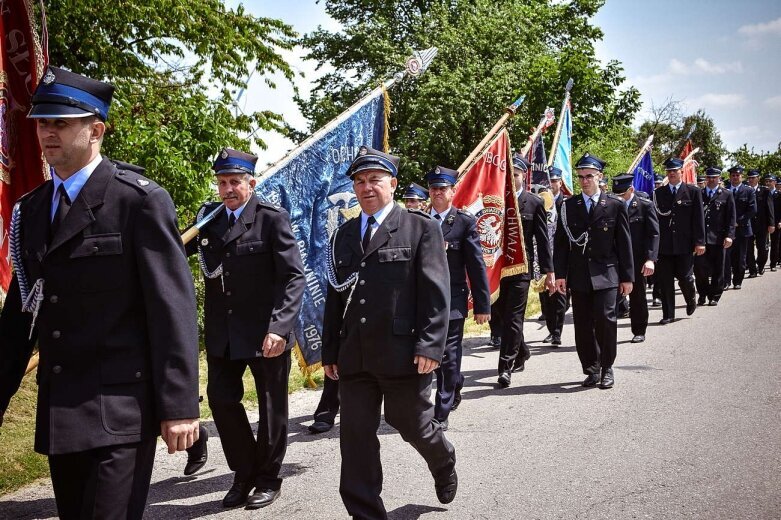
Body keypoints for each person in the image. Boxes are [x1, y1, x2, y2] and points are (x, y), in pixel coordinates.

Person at [0, 67, 200, 519]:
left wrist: (180, 405)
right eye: (42, 122)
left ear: (96, 130)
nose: (47, 132)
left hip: (120, 410)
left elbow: (172, 309)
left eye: (60, 123)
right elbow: (22, 312)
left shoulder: (137, 201)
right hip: (61, 409)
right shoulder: (32, 210)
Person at [322, 146, 457, 519]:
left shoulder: (421, 228)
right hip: (356, 356)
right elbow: (335, 297)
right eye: (360, 182)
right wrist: (330, 350)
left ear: (393, 184)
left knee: (411, 424)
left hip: (403, 353)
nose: (366, 188)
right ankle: (366, 513)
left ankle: (442, 459)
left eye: (375, 180)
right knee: (355, 440)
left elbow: (436, 293)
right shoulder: (344, 235)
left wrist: (431, 345)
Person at [185, 148, 305, 509]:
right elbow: (174, 250)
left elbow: (293, 278)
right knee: (221, 399)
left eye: (235, 182)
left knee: (272, 408)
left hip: (266, 331)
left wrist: (279, 328)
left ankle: (267, 478)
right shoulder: (208, 219)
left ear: (251, 183)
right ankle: (244, 471)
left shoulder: (271, 219)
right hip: (225, 332)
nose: (228, 189)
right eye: (222, 182)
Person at [553, 153, 633, 389]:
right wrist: (560, 274)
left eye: (589, 176)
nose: (585, 180)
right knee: (583, 324)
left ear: (600, 177)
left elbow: (624, 243)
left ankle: (607, 367)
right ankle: (591, 368)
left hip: (607, 273)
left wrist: (628, 277)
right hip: (579, 275)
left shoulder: (615, 205)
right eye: (581, 176)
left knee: (606, 320)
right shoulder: (568, 206)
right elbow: (560, 244)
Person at [426, 166, 490, 427]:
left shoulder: (464, 222)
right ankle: (455, 383)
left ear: (453, 191)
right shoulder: (419, 220)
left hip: (453, 301)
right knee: (430, 353)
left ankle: (441, 412)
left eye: (443, 188)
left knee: (448, 355)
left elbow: (476, 265)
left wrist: (482, 304)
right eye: (433, 189)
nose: (437, 193)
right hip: (424, 303)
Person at [494, 154, 554, 388]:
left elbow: (542, 239)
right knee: (500, 314)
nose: (512, 179)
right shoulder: (496, 200)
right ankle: (522, 352)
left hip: (521, 269)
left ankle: (505, 367)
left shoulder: (534, 202)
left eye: (516, 175)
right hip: (499, 270)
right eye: (509, 174)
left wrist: (549, 272)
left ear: (523, 176)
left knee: (513, 317)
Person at [653, 157, 705, 324]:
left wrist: (700, 242)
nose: (672, 174)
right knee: (665, 280)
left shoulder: (693, 191)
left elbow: (698, 219)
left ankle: (690, 298)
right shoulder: (658, 193)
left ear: (681, 172)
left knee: (685, 277)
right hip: (664, 245)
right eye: (669, 171)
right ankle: (668, 314)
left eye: (674, 171)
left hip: (684, 244)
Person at [611, 174, 659, 343]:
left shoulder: (645, 206)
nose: (618, 197)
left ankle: (639, 330)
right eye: (616, 194)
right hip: (614, 259)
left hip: (637, 259)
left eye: (622, 194)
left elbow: (653, 233)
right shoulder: (611, 206)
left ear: (631, 190)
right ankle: (605, 334)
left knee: (638, 296)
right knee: (610, 298)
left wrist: (650, 259)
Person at [694, 167, 736, 306]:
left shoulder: (726, 194)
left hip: (718, 238)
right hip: (701, 239)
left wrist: (729, 235)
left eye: (714, 177)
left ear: (719, 178)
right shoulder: (698, 194)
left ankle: (715, 296)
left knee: (718, 269)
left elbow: (731, 217)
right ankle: (702, 293)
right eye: (709, 177)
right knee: (700, 270)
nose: (711, 180)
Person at [538, 167, 569, 346]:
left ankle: (557, 332)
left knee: (559, 295)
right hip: (544, 254)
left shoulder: (566, 203)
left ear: (560, 183)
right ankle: (551, 328)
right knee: (545, 295)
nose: (551, 185)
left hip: (560, 254)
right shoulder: (539, 202)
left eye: (555, 181)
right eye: (548, 182)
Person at [723, 165, 756, 290]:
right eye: (733, 175)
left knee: (740, 258)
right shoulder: (724, 190)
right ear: (730, 177)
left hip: (742, 229)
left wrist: (738, 222)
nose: (735, 177)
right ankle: (726, 281)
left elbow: (752, 210)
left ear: (741, 176)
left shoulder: (748, 191)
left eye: (737, 175)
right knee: (725, 258)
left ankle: (738, 280)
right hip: (726, 231)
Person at [746, 169, 775, 277]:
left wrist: (771, 223)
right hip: (748, 224)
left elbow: (770, 208)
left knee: (762, 248)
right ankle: (753, 270)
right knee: (748, 248)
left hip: (762, 225)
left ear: (758, 178)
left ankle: (761, 265)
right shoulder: (745, 190)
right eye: (749, 178)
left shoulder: (765, 191)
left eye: (753, 178)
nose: (751, 180)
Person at [648, 173, 665, 307]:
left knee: (660, 270)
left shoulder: (665, 196)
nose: (657, 185)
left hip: (664, 238)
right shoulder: (650, 197)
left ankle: (657, 295)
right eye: (656, 183)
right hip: (651, 237)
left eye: (660, 183)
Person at [766, 174, 781, 271]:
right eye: (766, 181)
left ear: (774, 182)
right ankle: (761, 262)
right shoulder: (763, 193)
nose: (768, 183)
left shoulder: (779, 194)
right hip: (764, 222)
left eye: (770, 181)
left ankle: (773, 264)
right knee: (762, 244)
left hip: (776, 222)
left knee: (775, 243)